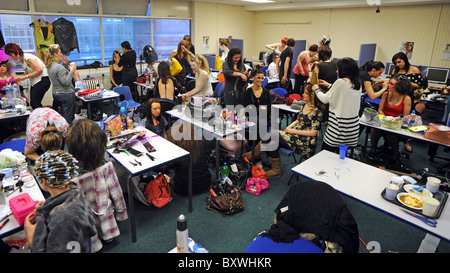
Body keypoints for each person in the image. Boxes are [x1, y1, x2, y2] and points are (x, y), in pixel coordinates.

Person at [67, 119, 128, 252]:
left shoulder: (71, 177)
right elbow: (117, 193)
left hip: (85, 219)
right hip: (105, 212)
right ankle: (108, 236)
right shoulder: (107, 166)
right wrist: (121, 213)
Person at [23, 150, 97, 253]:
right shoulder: (75, 190)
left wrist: (33, 241)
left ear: (44, 181)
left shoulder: (62, 219)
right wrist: (48, 206)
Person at [243, 84, 323, 179]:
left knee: (272, 135)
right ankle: (275, 170)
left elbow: (313, 132)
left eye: (306, 93)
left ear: (312, 96)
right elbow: (298, 120)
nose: (302, 94)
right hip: (294, 134)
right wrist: (287, 129)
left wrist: (291, 130)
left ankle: (253, 155)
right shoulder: (304, 105)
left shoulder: (316, 112)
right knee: (272, 140)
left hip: (305, 141)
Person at [313, 57, 361, 153]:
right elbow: (344, 92)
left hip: (338, 128)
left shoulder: (340, 82)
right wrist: (329, 85)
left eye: (338, 68)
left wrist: (316, 89)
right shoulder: (357, 83)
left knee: (325, 155)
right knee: (341, 156)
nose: (337, 70)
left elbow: (325, 99)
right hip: (353, 129)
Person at [369, 75, 412, 167]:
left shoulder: (406, 98)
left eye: (391, 84)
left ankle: (396, 154)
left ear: (399, 86)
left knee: (390, 134)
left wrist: (394, 121)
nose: (388, 85)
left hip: (396, 124)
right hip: (384, 121)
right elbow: (380, 110)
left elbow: (406, 116)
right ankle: (373, 150)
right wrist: (385, 118)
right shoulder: (386, 94)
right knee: (374, 129)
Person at [392, 52, 426, 152]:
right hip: (397, 96)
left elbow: (420, 85)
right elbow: (392, 82)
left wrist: (406, 82)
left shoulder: (414, 70)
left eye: (399, 62)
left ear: (405, 60)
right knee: (395, 117)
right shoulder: (396, 71)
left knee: (405, 119)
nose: (398, 64)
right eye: (396, 63)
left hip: (408, 97)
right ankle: (391, 140)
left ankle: (405, 142)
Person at [166, 122, 212, 196]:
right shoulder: (201, 144)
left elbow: (169, 166)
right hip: (205, 184)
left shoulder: (179, 151)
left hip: (183, 189)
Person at [4, 43, 50, 109]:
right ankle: (41, 116)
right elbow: (28, 70)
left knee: (35, 103)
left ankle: (44, 117)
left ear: (16, 51)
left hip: (43, 80)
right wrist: (20, 77)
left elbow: (39, 70)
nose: (10, 57)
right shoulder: (20, 60)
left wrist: (25, 77)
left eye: (11, 55)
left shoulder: (28, 58)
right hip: (36, 81)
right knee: (34, 103)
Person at [45, 44, 78, 124]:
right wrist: (72, 71)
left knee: (63, 115)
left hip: (57, 94)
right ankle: (67, 134)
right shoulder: (58, 67)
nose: (61, 54)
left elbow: (60, 77)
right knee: (68, 118)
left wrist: (65, 65)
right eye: (60, 52)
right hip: (66, 94)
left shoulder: (50, 66)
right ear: (55, 54)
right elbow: (65, 82)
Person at [242, 69, 272, 143]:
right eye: (258, 78)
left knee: (261, 124)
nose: (261, 80)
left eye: (262, 78)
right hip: (251, 119)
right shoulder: (247, 92)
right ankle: (256, 147)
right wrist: (261, 108)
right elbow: (247, 110)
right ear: (253, 78)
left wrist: (255, 109)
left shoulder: (266, 92)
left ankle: (257, 148)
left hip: (264, 118)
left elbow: (268, 109)